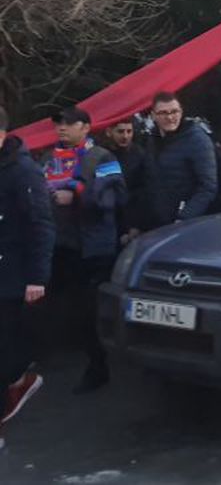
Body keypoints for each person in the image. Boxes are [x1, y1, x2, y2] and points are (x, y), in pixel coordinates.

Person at [43, 107, 125, 393]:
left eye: (69, 123)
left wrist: (77, 194)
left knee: (86, 309)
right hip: (59, 243)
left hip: (92, 247)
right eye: (58, 124)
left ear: (86, 127)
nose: (62, 128)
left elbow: (114, 197)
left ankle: (98, 367)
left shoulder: (102, 157)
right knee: (57, 304)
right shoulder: (49, 158)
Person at [0, 105, 55, 433]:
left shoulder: (23, 171)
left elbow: (40, 225)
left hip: (12, 272)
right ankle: (19, 381)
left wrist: (37, 277)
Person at [143, 92, 217, 229]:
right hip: (155, 223)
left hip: (186, 225)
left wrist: (184, 219)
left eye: (174, 112)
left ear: (181, 112)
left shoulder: (197, 140)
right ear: (153, 115)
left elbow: (208, 187)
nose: (170, 117)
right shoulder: (152, 139)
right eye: (163, 113)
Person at [106, 119, 147, 245]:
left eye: (129, 131)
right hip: (108, 220)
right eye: (120, 131)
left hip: (132, 218)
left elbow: (143, 192)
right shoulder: (102, 155)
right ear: (109, 132)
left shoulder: (139, 154)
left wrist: (134, 225)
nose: (125, 136)